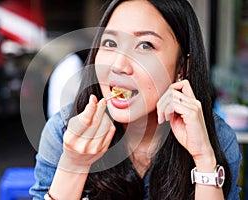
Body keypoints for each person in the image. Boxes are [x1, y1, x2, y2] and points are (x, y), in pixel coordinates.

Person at [30, 0, 242, 199]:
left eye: (145, 45)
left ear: (181, 67)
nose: (119, 65)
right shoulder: (63, 131)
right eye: (110, 42)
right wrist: (74, 163)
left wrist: (204, 159)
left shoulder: (217, 138)